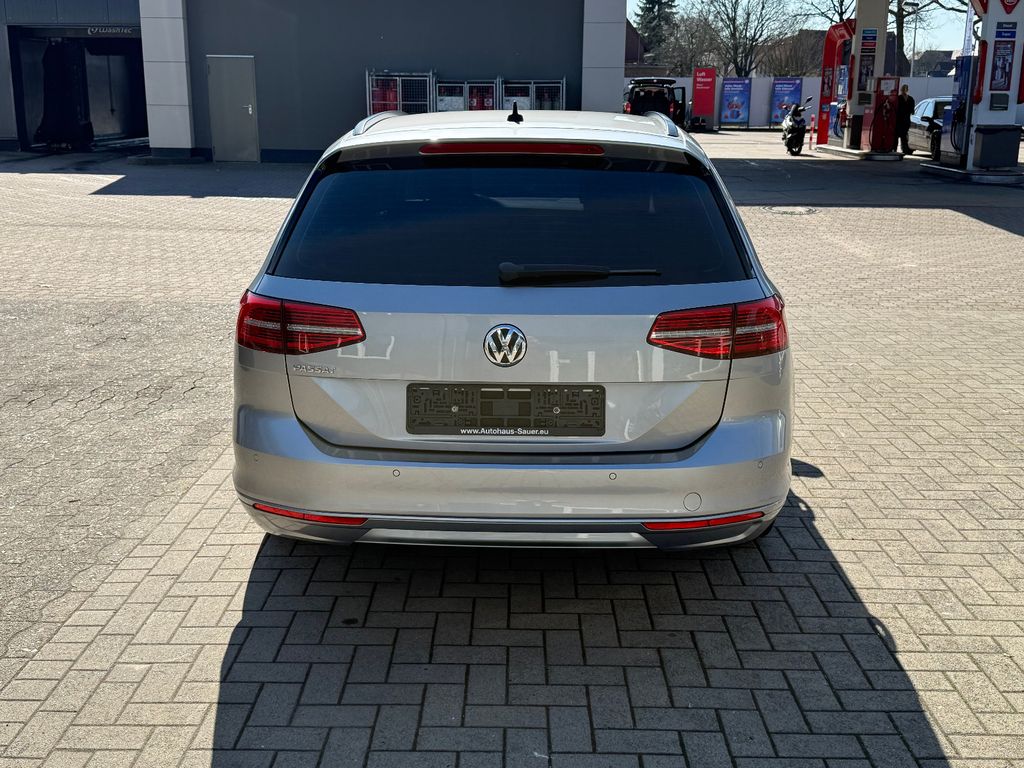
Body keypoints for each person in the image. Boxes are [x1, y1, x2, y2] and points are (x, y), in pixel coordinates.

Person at [896, 84, 915, 155]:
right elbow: (912, 111)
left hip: (899, 120)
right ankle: (904, 149)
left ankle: (895, 149)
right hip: (906, 120)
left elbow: (895, 109)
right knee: (904, 135)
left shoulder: (898, 98)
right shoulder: (911, 99)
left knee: (897, 135)